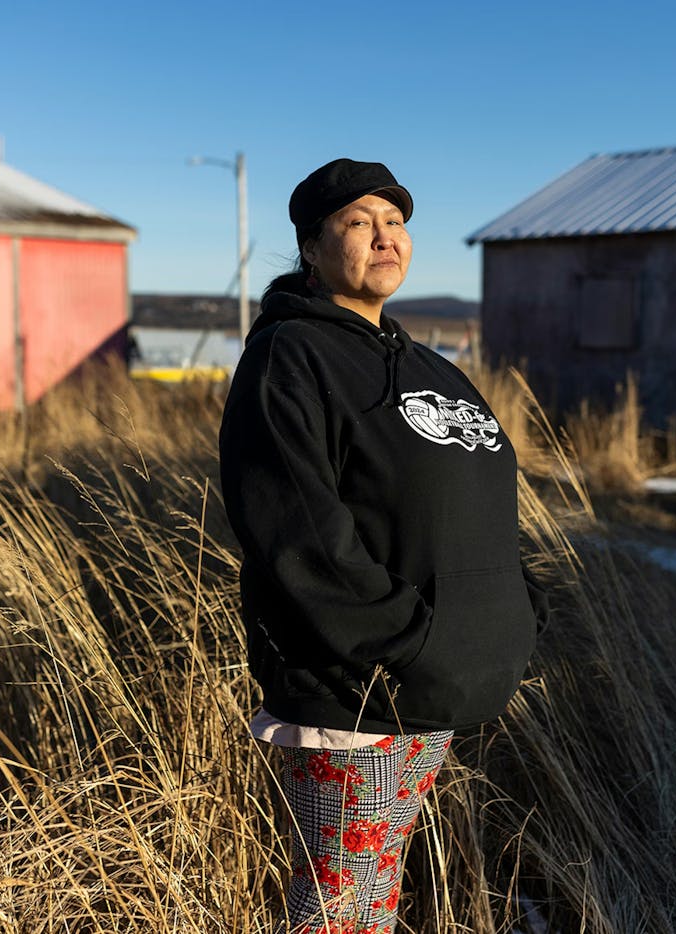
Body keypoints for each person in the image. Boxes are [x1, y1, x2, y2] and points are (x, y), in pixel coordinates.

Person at [218, 158, 547, 933]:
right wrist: (410, 641)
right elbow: (297, 531)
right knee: (339, 909)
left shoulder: (429, 366)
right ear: (311, 246)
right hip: (356, 694)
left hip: (433, 688)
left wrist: (514, 616)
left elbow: (485, 505)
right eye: (358, 223)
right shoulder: (290, 356)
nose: (384, 237)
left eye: (395, 222)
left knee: (372, 897)